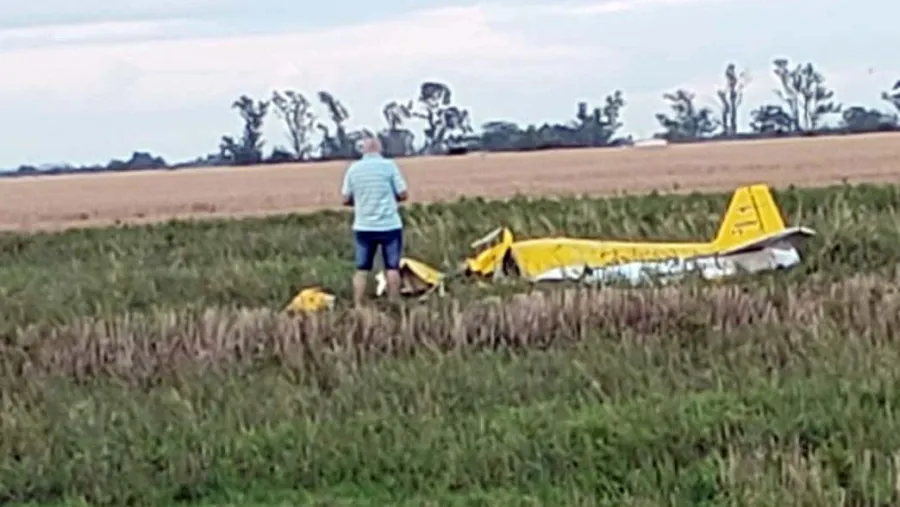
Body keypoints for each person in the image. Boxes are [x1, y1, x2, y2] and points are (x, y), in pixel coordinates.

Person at [340, 136, 409, 307]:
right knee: (392, 267)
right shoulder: (389, 166)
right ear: (379, 149)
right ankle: (393, 302)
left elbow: (345, 198)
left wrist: (359, 202)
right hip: (390, 225)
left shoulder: (353, 169)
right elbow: (403, 194)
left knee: (361, 269)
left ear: (362, 150)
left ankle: (358, 305)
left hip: (363, 226)